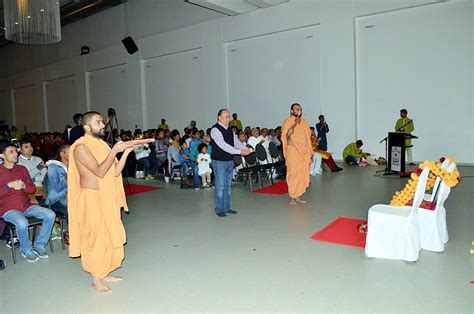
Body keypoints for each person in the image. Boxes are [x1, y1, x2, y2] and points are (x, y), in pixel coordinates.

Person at [68, 111, 145, 293]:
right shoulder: (81, 147)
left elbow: (115, 171)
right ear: (87, 127)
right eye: (98, 122)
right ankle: (96, 279)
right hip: (91, 198)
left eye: (102, 122)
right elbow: (100, 172)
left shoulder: (101, 144)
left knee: (109, 233)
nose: (103, 125)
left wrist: (125, 152)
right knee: (95, 237)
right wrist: (114, 150)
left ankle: (105, 271)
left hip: (106, 197)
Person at [0, 142, 56, 263]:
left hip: (25, 205)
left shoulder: (22, 169)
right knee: (22, 222)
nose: (16, 154)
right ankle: (26, 249)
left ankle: (39, 245)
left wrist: (24, 185)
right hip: (7, 208)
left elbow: (32, 189)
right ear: (2, 155)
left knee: (50, 214)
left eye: (16, 151)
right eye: (11, 152)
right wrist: (9, 186)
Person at [210, 109, 252, 217]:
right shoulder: (215, 130)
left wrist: (246, 148)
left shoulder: (229, 129)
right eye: (226, 117)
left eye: (228, 116)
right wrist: (240, 152)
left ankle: (226, 207)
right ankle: (219, 209)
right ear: (219, 118)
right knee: (220, 186)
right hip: (219, 161)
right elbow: (223, 145)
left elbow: (236, 142)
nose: (228, 119)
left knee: (228, 185)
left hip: (229, 160)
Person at [281, 103, 312, 205]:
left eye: (300, 109)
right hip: (293, 150)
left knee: (301, 173)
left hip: (303, 152)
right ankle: (292, 196)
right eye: (297, 109)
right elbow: (285, 138)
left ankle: (298, 196)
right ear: (291, 111)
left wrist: (309, 151)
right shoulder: (288, 121)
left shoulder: (303, 122)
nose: (299, 111)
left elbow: (308, 137)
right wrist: (289, 133)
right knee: (293, 173)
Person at [45, 144, 70, 243]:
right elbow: (55, 188)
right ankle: (72, 233)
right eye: (70, 151)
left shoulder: (74, 165)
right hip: (56, 199)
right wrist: (68, 178)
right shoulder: (53, 167)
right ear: (62, 154)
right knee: (71, 206)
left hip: (71, 195)